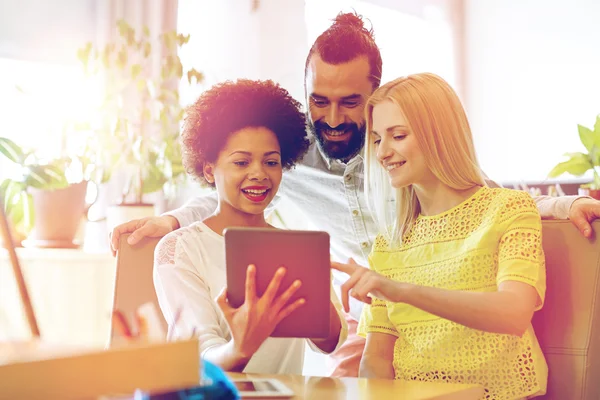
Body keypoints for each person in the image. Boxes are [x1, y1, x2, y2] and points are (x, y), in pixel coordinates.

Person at [111, 12, 600, 377]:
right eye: (319, 101)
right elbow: (233, 187)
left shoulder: (405, 152)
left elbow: (478, 195)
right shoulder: (285, 149)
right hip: (366, 318)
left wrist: (564, 203)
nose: (333, 118)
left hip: (410, 310)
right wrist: (172, 221)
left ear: (375, 94)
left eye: (351, 103)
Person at [334, 72, 546, 399]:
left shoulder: (508, 209)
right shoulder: (388, 245)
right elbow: (376, 360)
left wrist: (400, 291)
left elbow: (514, 313)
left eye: (398, 135)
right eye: (377, 139)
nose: (382, 153)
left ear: (438, 135)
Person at [153, 79, 346, 374]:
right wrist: (240, 347)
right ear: (209, 169)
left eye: (271, 162)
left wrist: (312, 282)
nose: (259, 174)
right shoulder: (180, 248)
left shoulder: (297, 248)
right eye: (241, 163)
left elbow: (330, 343)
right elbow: (199, 360)